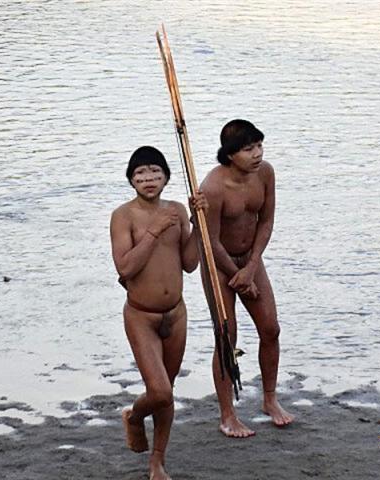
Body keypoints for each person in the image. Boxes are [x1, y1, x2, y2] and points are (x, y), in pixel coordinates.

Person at [110, 146, 207, 480]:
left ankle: (157, 461)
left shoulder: (177, 210)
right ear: (131, 180)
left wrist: (197, 223)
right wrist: (154, 231)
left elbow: (191, 264)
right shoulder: (124, 216)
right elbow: (125, 267)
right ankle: (135, 418)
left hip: (175, 314)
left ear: (166, 176)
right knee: (160, 391)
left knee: (168, 394)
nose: (148, 179)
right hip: (141, 314)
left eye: (155, 172)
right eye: (140, 174)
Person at [200, 119, 294, 438]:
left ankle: (269, 399)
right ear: (229, 155)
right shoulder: (212, 188)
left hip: (250, 260)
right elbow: (210, 241)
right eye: (247, 149)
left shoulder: (265, 173)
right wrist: (236, 274)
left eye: (259, 146)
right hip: (218, 264)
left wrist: (251, 266)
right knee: (228, 338)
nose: (256, 154)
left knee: (271, 328)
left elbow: (266, 220)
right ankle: (227, 414)